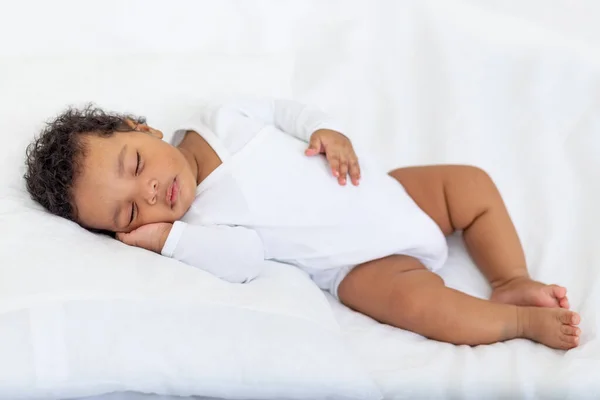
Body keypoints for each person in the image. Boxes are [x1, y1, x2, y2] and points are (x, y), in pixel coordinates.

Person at [24, 98, 581, 349]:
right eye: (129, 213)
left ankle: (509, 276)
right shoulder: (202, 222)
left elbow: (282, 111)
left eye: (137, 165)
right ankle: (513, 322)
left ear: (139, 127)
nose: (149, 194)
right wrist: (170, 239)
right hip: (361, 266)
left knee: (471, 184)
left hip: (383, 191)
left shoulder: (214, 119)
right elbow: (244, 264)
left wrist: (326, 129)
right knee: (421, 308)